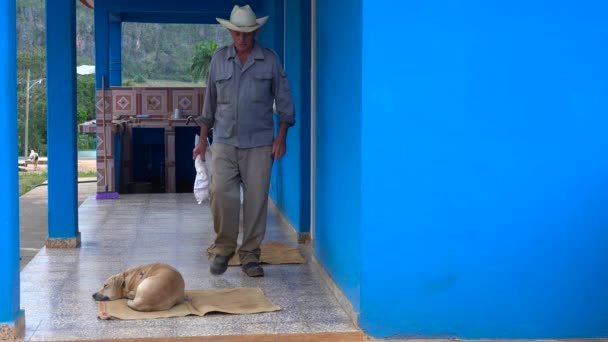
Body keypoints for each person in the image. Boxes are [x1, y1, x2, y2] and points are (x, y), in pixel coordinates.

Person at [192, 4, 295, 277]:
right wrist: (202, 141)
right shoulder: (218, 59)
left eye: (248, 33)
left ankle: (250, 256)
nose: (242, 38)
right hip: (224, 141)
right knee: (221, 195)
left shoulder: (270, 60)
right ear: (230, 32)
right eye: (237, 33)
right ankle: (224, 248)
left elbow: (284, 100)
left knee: (256, 201)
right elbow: (209, 105)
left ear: (256, 31)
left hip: (260, 143)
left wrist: (281, 136)